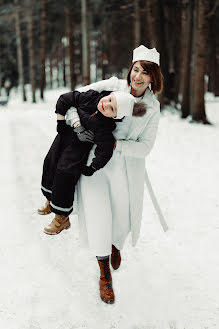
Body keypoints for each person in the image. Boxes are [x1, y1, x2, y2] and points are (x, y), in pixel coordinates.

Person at [66, 45, 163, 304]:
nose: (137, 76)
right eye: (135, 69)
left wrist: (116, 145)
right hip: (95, 164)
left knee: (121, 219)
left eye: (145, 72)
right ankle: (104, 273)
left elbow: (145, 147)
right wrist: (76, 123)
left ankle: (116, 244)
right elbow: (77, 98)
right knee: (99, 216)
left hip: (125, 169)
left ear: (153, 77)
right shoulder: (113, 86)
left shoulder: (152, 108)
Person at [38, 89, 146, 235]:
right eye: (109, 100)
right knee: (50, 164)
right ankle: (50, 201)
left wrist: (94, 166)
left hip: (75, 152)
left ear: (115, 116)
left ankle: (61, 217)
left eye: (112, 108)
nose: (106, 105)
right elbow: (65, 98)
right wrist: (61, 121)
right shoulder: (89, 98)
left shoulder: (104, 127)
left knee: (65, 175)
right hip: (62, 140)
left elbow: (105, 149)